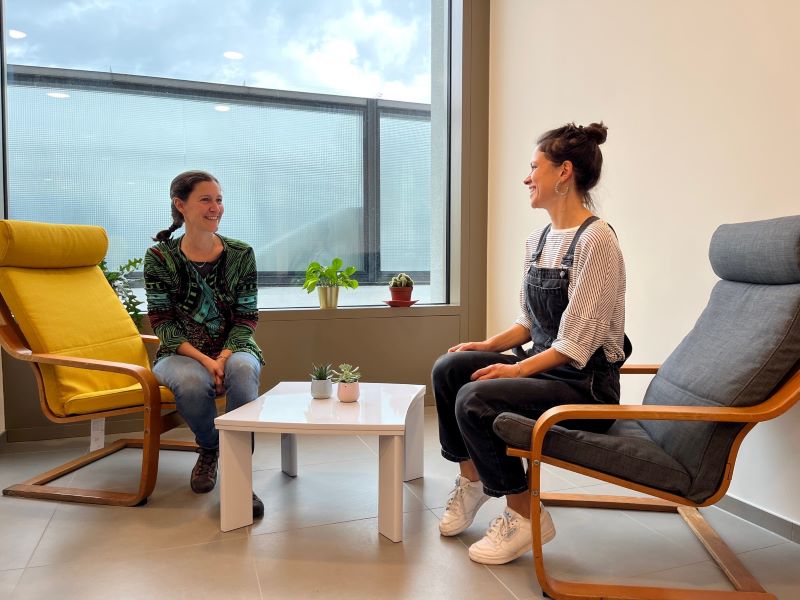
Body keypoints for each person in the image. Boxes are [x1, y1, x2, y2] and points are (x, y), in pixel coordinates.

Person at [432, 122, 630, 564]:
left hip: (585, 387)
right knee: (450, 369)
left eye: (533, 167)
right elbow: (529, 322)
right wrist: (485, 344)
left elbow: (575, 344)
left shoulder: (597, 240)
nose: (527, 178)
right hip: (545, 371)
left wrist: (515, 369)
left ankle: (525, 515)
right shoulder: (538, 239)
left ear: (563, 173)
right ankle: (472, 481)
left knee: (475, 398)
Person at [144, 170, 266, 518]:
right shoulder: (160, 257)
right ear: (180, 205)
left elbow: (247, 318)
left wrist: (224, 356)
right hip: (179, 351)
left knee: (243, 370)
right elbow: (162, 323)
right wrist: (206, 361)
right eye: (206, 199)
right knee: (191, 381)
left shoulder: (241, 253)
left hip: (234, 346)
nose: (216, 207)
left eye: (219, 199)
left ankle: (239, 475)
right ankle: (210, 448)